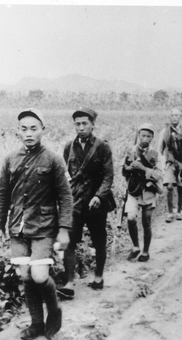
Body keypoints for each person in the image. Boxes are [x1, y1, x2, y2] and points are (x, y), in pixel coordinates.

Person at [0, 108, 73, 340]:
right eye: (24, 129)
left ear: (42, 130)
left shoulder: (53, 160)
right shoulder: (10, 159)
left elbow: (65, 197)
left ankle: (54, 309)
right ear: (18, 131)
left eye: (34, 128)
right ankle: (37, 323)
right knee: (26, 276)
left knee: (39, 276)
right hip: (18, 228)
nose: (28, 133)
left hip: (44, 227)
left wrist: (64, 230)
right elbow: (2, 194)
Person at [61, 107, 116, 295]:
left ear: (93, 125)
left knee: (99, 239)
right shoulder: (69, 147)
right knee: (69, 241)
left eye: (85, 123)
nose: (81, 127)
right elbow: (68, 174)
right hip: (76, 201)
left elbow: (108, 176)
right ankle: (69, 282)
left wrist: (99, 196)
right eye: (77, 124)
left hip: (95, 201)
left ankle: (98, 277)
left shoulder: (102, 147)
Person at [122, 123, 162, 262]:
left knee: (146, 221)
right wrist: (129, 168)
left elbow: (158, 175)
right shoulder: (130, 150)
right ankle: (135, 247)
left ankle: (145, 251)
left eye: (148, 136)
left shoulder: (156, 154)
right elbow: (123, 171)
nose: (145, 138)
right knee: (131, 218)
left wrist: (143, 168)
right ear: (138, 136)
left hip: (148, 191)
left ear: (152, 138)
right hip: (134, 191)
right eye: (143, 135)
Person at [159, 109, 182, 222]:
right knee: (169, 186)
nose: (174, 118)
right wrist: (163, 162)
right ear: (170, 117)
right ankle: (169, 212)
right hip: (170, 162)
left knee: (180, 187)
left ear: (180, 117)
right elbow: (160, 149)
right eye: (172, 115)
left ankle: (179, 212)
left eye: (177, 115)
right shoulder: (165, 131)